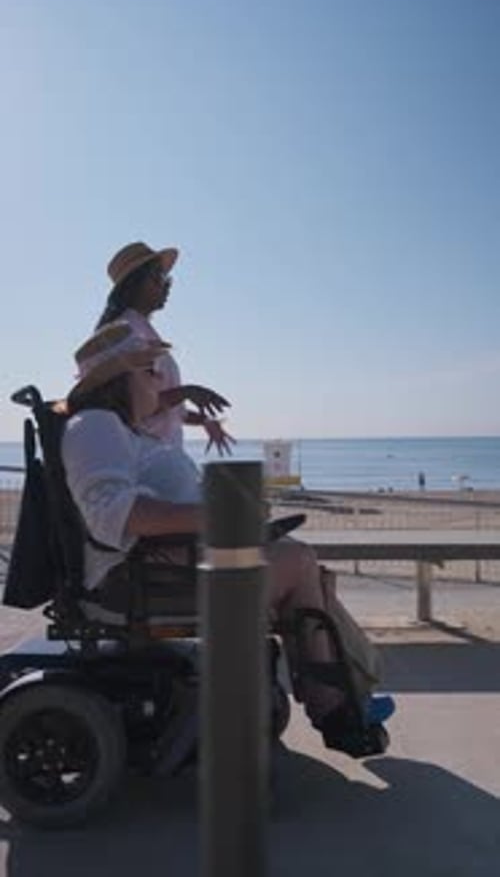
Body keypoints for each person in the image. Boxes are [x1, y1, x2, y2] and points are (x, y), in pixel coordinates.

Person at [61, 321, 393, 754]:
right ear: (119, 380)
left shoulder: (120, 429)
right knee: (301, 565)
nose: (161, 379)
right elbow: (112, 513)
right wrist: (219, 516)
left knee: (308, 573)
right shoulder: (96, 425)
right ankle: (337, 706)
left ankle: (341, 699)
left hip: (172, 564)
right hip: (150, 579)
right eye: (150, 370)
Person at [96, 240, 235, 455]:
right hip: (143, 462)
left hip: (156, 457)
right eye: (159, 277)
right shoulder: (126, 335)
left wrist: (204, 420)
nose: (168, 284)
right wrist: (187, 391)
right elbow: (135, 408)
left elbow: (163, 409)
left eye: (167, 278)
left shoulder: (138, 329)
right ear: (134, 285)